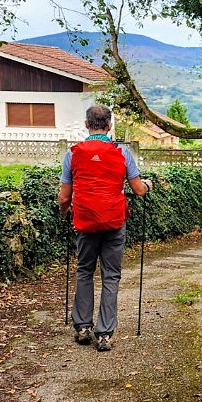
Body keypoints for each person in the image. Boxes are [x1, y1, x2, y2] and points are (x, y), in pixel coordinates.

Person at [58, 105, 152, 352]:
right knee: (111, 275)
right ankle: (105, 334)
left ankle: (82, 327)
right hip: (114, 221)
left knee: (84, 270)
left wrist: (65, 213)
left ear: (86, 125)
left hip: (85, 221)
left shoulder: (73, 154)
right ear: (109, 126)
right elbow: (138, 190)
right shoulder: (122, 152)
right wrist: (149, 185)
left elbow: (64, 197)